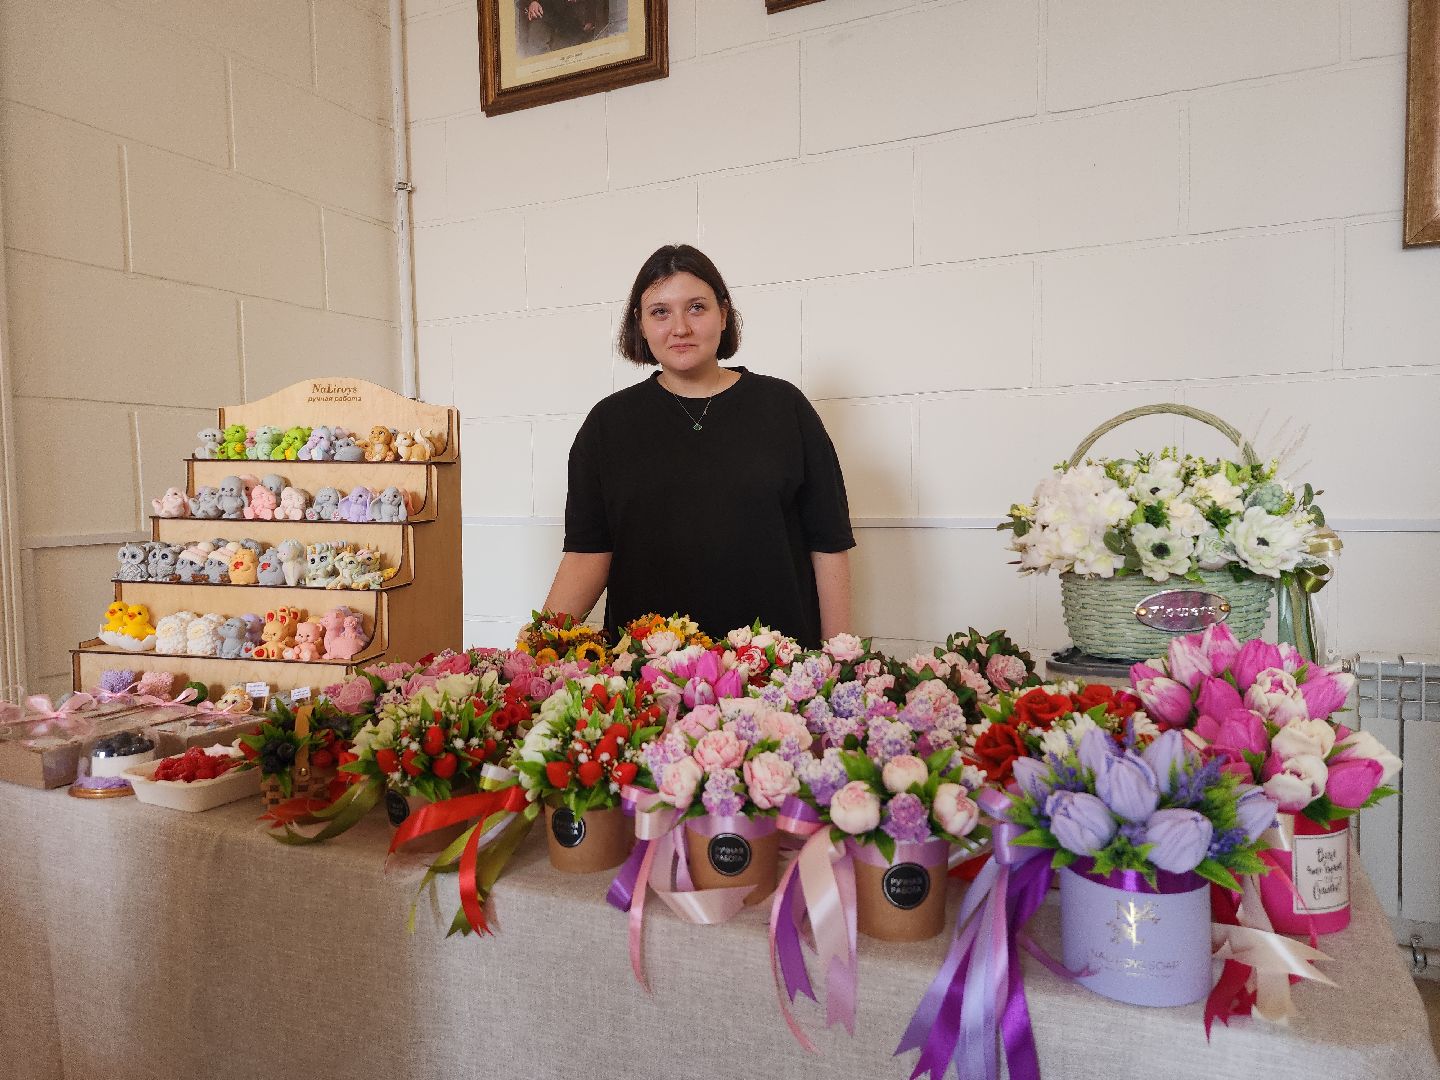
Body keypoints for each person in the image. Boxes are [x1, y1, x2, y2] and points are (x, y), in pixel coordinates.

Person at [542, 244, 855, 648]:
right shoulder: (608, 424)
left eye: (696, 308)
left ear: (723, 314)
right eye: (660, 312)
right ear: (640, 323)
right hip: (647, 675)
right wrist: (536, 653)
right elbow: (587, 555)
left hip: (774, 671)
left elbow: (828, 544)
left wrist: (839, 659)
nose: (680, 328)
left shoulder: (784, 407)